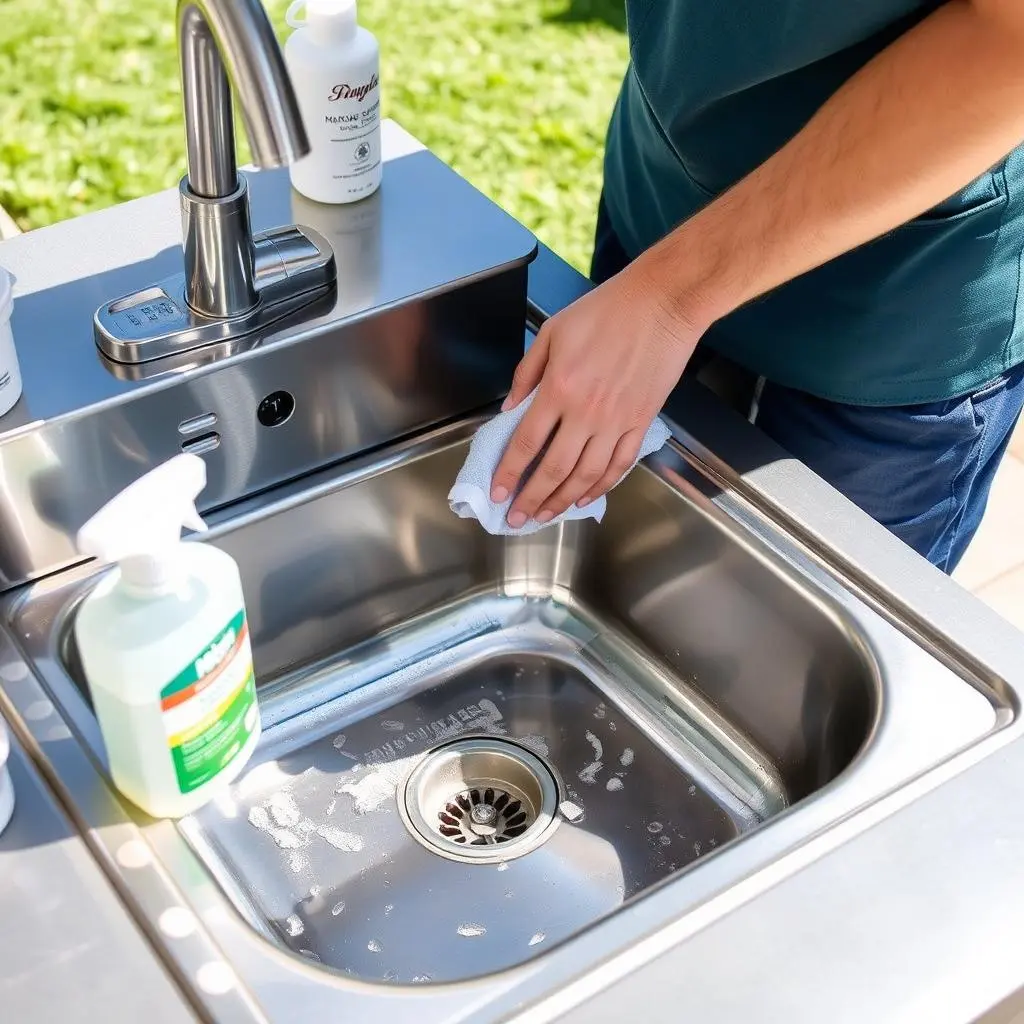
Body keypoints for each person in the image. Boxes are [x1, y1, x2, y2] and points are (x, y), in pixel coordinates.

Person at [490, 0, 1024, 574]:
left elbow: (1007, 44)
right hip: (661, 198)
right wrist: (660, 292)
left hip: (895, 307)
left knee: (805, 611)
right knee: (618, 554)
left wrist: (670, 297)